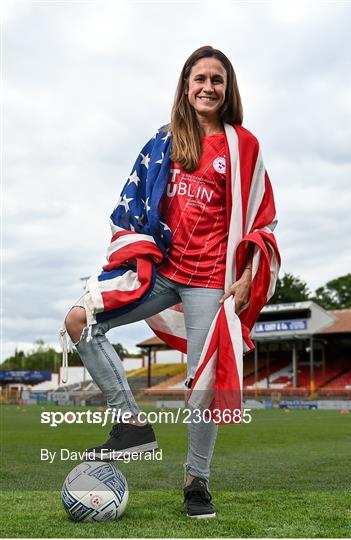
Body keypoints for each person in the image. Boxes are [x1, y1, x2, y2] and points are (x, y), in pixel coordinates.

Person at [63, 45, 279, 519]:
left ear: (227, 89)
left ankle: (196, 481)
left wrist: (245, 277)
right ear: (186, 86)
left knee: (202, 387)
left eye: (216, 80)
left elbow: (263, 220)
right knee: (81, 319)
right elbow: (134, 203)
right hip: (159, 273)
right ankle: (132, 424)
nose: (207, 87)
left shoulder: (244, 147)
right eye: (198, 78)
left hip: (210, 283)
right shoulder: (163, 141)